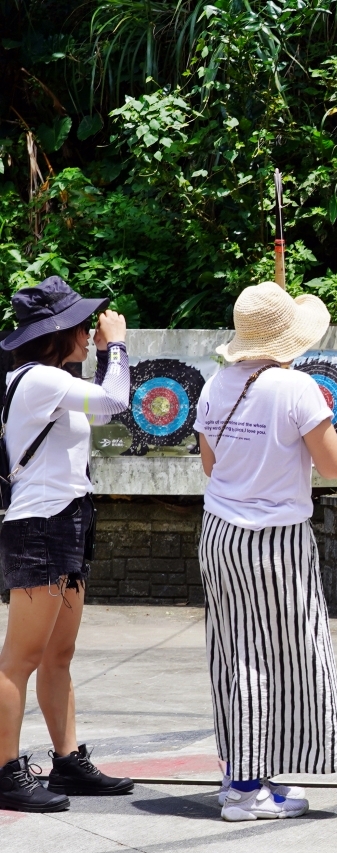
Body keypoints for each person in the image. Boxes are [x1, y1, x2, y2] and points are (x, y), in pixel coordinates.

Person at [193, 281, 337, 821]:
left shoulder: (215, 386)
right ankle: (245, 788)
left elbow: (211, 466)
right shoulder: (297, 387)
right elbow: (334, 466)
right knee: (283, 654)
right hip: (275, 539)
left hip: (220, 534)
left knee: (236, 652)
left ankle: (248, 775)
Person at [0, 276, 134, 812]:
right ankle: (6, 771)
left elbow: (99, 412)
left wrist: (100, 354)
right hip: (39, 526)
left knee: (59, 654)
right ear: (54, 333)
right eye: (81, 325)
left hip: (69, 520)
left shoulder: (53, 379)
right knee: (20, 658)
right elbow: (115, 401)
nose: (89, 332)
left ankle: (67, 759)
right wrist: (117, 346)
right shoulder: (36, 380)